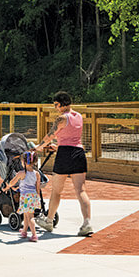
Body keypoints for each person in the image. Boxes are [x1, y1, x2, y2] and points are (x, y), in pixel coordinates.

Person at [34, 91, 94, 237]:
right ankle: (87, 223)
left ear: (61, 104)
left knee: (57, 191)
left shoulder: (61, 118)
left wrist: (38, 147)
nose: (55, 107)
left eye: (56, 104)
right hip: (79, 153)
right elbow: (71, 137)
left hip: (65, 155)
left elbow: (50, 136)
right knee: (81, 190)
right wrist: (59, 145)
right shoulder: (78, 116)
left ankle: (48, 221)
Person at [5, 150, 43, 242]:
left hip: (25, 197)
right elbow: (37, 187)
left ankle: (34, 235)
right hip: (33, 196)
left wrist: (8, 186)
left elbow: (12, 182)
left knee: (30, 216)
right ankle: (24, 231)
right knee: (26, 215)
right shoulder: (37, 173)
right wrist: (38, 198)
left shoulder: (21, 173)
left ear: (24, 162)